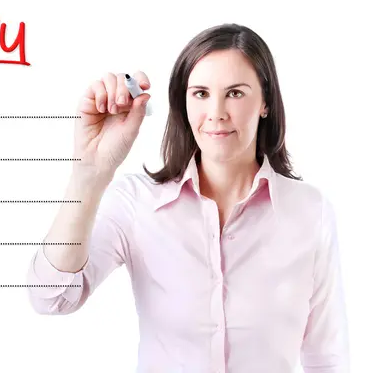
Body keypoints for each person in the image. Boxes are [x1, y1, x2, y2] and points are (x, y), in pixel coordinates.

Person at [25, 23, 350, 372]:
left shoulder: (309, 212)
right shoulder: (138, 203)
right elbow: (52, 296)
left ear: (266, 102)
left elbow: (327, 357)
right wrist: (88, 175)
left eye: (236, 93)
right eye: (201, 93)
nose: (217, 113)